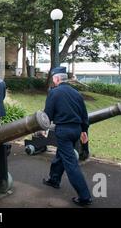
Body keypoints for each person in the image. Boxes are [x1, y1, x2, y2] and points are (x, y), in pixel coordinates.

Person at [42, 66, 92, 206]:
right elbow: (84, 115)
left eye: (53, 79)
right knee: (62, 154)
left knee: (71, 164)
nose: (53, 81)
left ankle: (84, 196)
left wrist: (44, 128)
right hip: (76, 131)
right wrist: (83, 131)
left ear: (57, 78)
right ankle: (54, 179)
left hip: (63, 131)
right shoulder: (76, 93)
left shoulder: (54, 93)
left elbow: (48, 115)